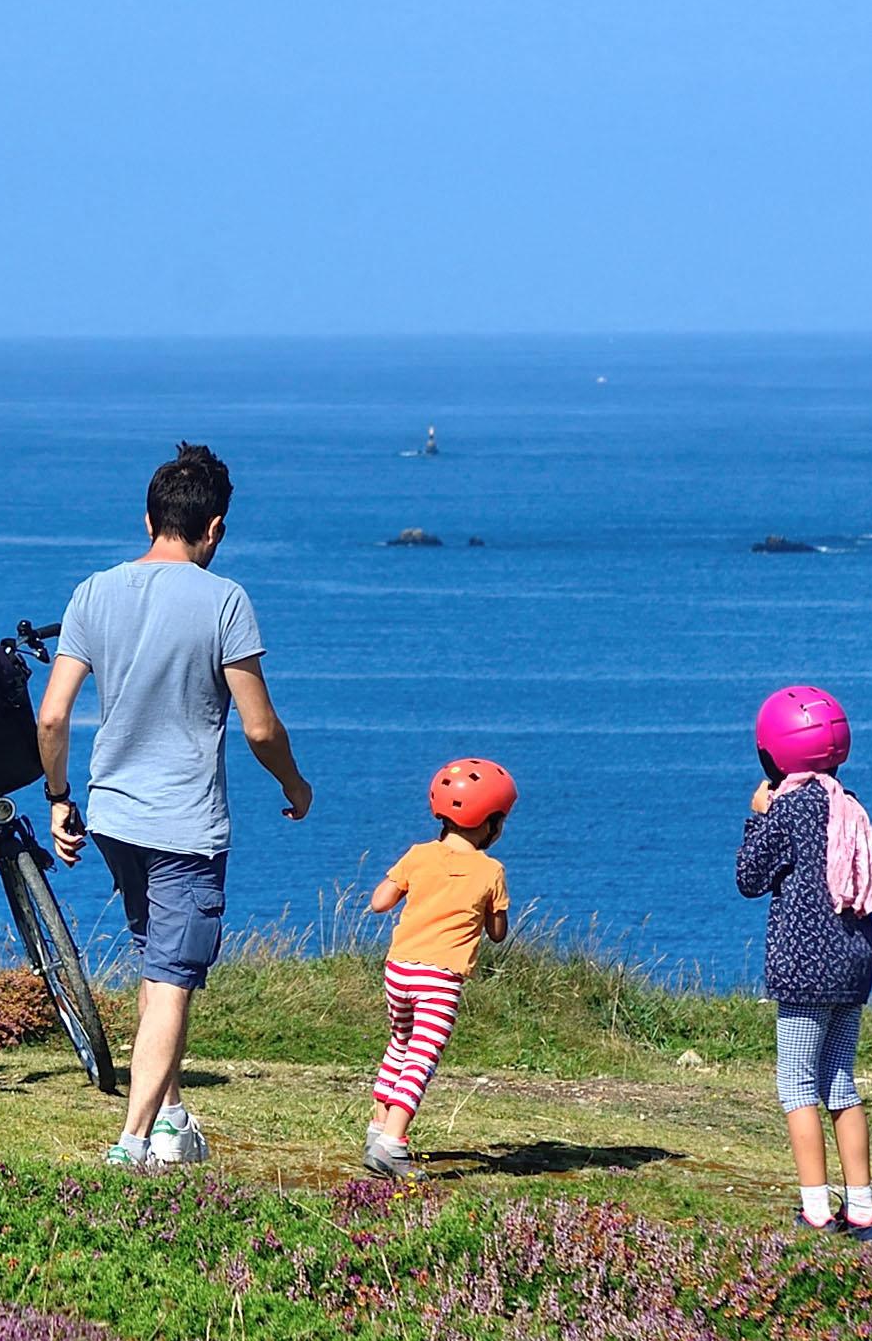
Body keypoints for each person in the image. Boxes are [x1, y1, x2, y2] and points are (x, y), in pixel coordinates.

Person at [38, 441, 314, 1168]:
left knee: (155, 968)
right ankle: (132, 1144)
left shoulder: (92, 591)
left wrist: (59, 797)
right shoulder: (224, 600)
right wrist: (294, 784)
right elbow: (259, 725)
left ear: (147, 518)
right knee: (168, 981)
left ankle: (170, 1119)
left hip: (114, 815)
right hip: (186, 823)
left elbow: (52, 717)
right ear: (215, 528)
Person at [734, 685, 872, 1241]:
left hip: (803, 967)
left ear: (772, 754)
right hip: (853, 963)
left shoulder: (788, 808)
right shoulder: (851, 804)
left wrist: (757, 816)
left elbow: (749, 879)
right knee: (840, 1083)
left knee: (797, 1085)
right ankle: (863, 1209)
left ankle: (816, 1210)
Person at [360, 759, 515, 1177]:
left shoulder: (418, 855)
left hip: (399, 970)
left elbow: (379, 902)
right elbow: (497, 932)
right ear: (491, 824)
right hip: (440, 978)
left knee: (399, 1043)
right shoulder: (491, 871)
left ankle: (377, 1128)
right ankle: (393, 1144)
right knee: (422, 1058)